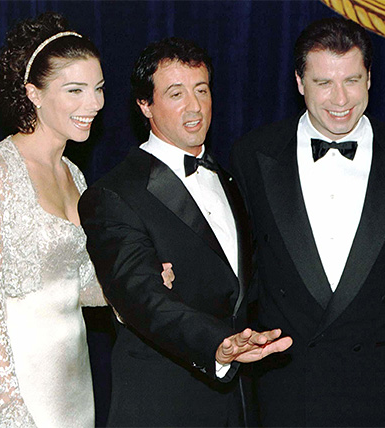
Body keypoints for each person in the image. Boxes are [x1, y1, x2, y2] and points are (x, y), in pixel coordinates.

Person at [78, 37, 292, 427]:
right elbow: (141, 299)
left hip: (238, 405)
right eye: (176, 94)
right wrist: (216, 345)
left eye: (202, 90)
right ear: (145, 105)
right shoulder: (114, 194)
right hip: (163, 406)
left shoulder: (229, 178)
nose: (194, 106)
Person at [230, 17, 385, 427]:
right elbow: (235, 264)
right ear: (299, 82)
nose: (340, 98)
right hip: (287, 389)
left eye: (352, 80)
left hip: (381, 390)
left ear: (369, 78)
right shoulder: (253, 155)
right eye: (324, 83)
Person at [0, 12, 112, 427]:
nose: (94, 104)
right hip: (20, 392)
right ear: (33, 93)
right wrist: (9, 411)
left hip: (75, 388)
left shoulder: (74, 174)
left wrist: (135, 284)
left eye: (98, 88)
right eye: (75, 90)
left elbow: (78, 286)